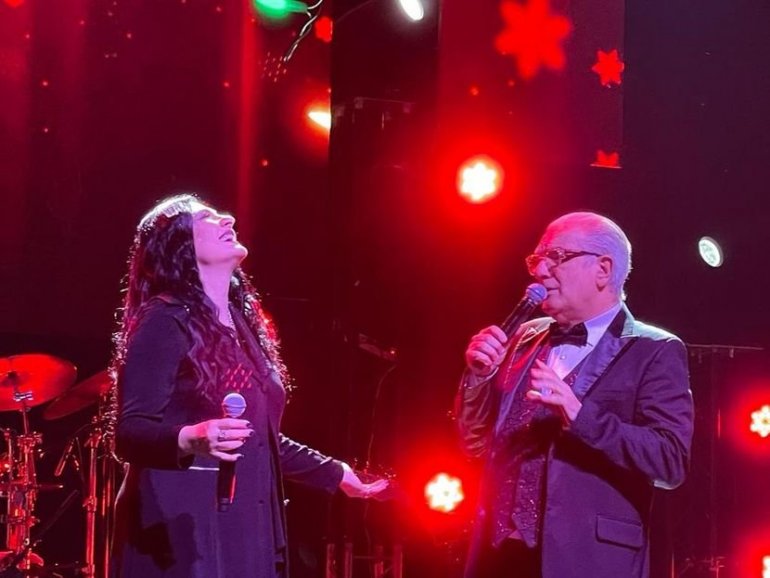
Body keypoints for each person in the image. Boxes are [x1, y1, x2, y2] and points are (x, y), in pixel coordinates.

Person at [107, 194, 387, 578]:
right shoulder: (165, 319)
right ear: (177, 243)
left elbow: (256, 437)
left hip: (243, 525)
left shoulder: (240, 326)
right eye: (206, 217)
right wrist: (191, 438)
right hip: (181, 533)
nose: (227, 218)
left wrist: (335, 473)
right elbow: (129, 434)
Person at [456, 211, 694, 578]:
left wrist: (580, 415)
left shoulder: (655, 349)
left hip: (587, 561)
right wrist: (478, 378)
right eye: (536, 260)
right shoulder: (525, 337)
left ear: (603, 270)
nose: (539, 271)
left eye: (556, 257)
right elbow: (474, 442)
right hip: (499, 556)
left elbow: (669, 461)